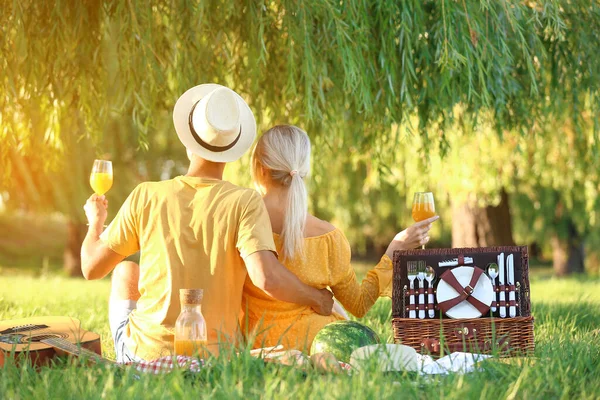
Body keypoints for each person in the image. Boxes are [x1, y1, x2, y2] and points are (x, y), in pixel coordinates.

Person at [81, 85, 334, 362]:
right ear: (233, 149)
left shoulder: (147, 194)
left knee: (124, 271)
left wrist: (96, 222)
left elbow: (91, 267)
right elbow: (267, 277)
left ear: (189, 142)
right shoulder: (245, 202)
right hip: (214, 359)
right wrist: (316, 298)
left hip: (145, 356)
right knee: (130, 270)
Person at [242, 125, 438, 351]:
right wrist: (394, 250)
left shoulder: (241, 219)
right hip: (316, 343)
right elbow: (360, 303)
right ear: (305, 169)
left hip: (255, 341)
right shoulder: (327, 238)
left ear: (260, 168)